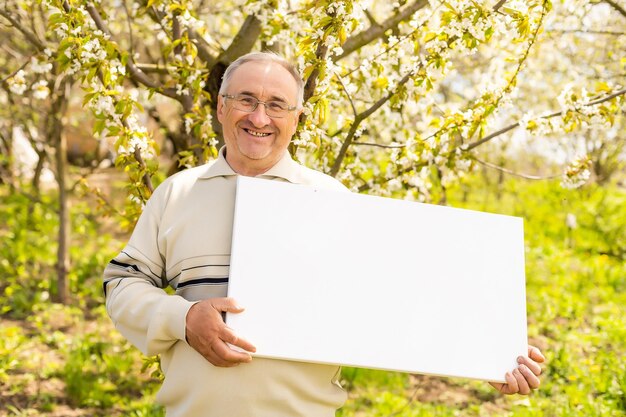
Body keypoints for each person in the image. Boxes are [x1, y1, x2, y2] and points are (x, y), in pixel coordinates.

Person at [103, 52, 545, 417]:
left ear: (297, 118)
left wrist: (485, 350)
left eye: (277, 104)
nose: (260, 117)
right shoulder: (177, 193)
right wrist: (182, 318)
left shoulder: (331, 199)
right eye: (246, 100)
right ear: (221, 107)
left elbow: (392, 302)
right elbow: (122, 283)